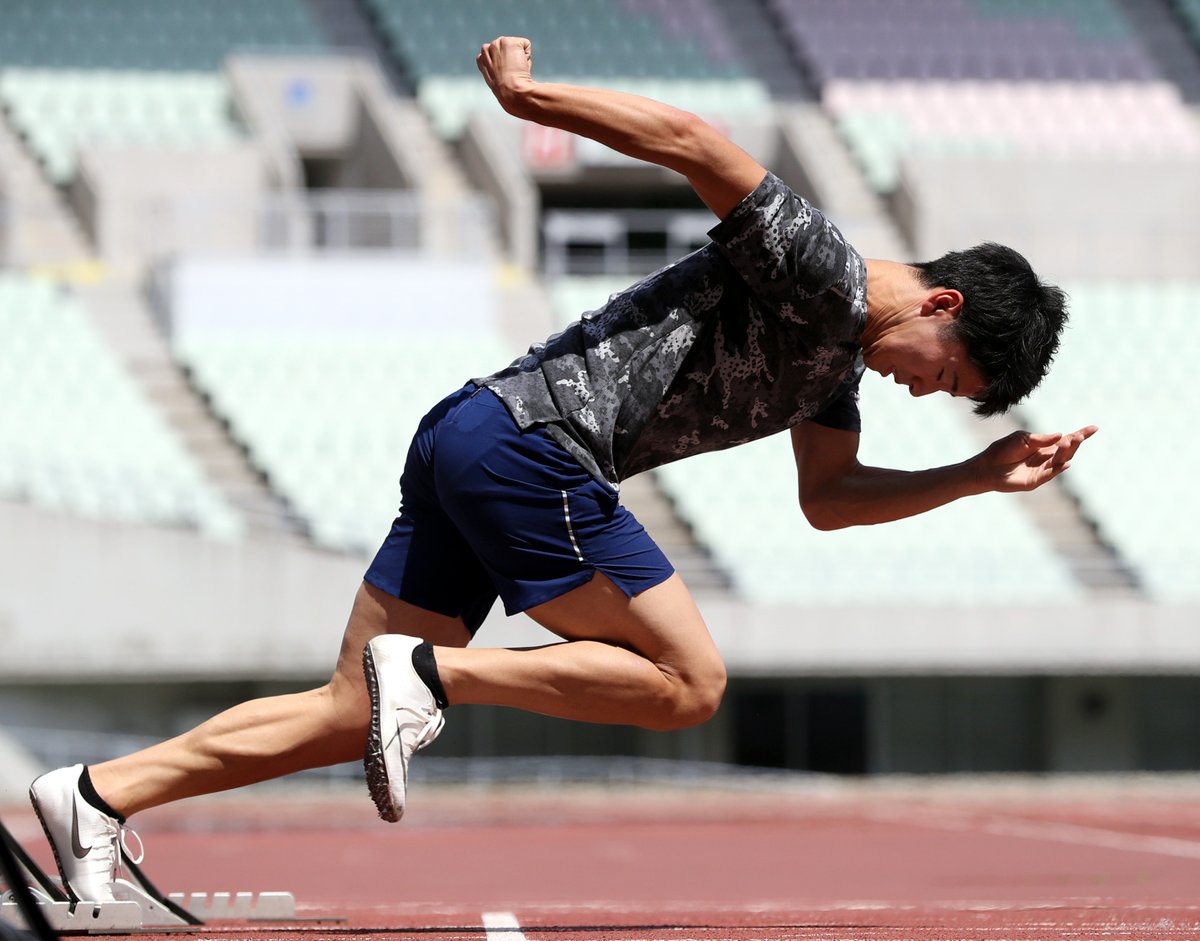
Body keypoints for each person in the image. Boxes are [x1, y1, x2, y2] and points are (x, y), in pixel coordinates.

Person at [29, 36, 1095, 902]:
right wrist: (531, 101)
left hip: (473, 431)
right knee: (691, 683)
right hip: (539, 446)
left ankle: (96, 794)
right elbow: (693, 142)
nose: (925, 391)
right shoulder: (825, 270)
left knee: (350, 704)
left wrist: (975, 475)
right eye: (945, 373)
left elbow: (829, 501)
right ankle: (434, 674)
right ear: (942, 304)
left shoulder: (835, 367)